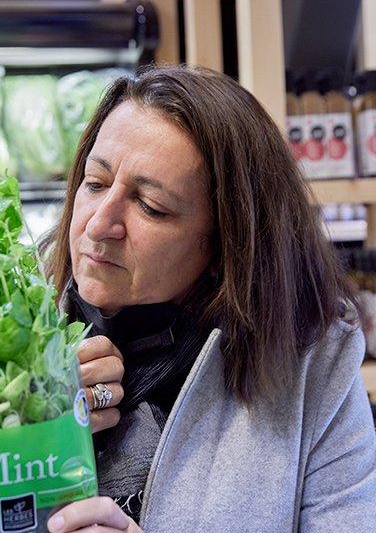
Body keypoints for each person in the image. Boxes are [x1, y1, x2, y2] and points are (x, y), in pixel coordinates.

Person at [39, 65, 376, 532]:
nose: (99, 224)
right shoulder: (4, 317)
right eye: (94, 184)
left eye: (150, 206)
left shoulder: (314, 360)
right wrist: (16, 434)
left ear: (227, 244)